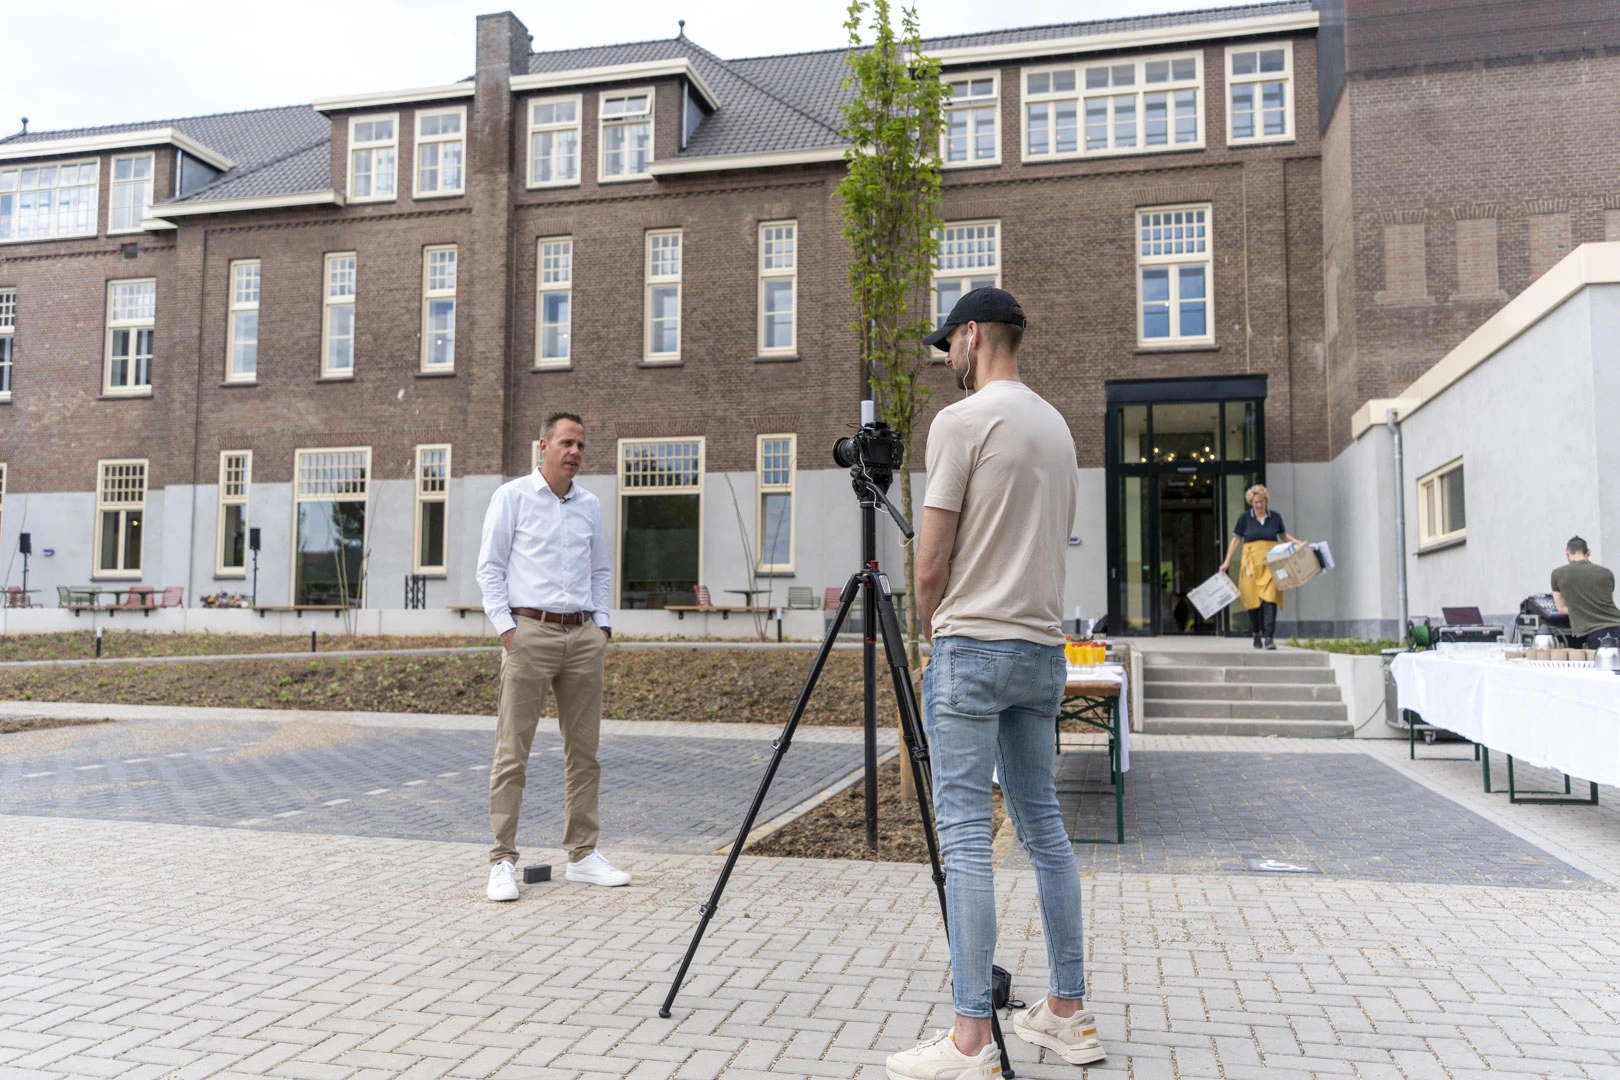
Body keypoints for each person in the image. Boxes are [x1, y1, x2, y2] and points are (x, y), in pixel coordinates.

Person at [886, 287, 1102, 1080]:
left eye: (949, 347)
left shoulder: (963, 422)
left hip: (973, 647)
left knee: (967, 837)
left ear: (972, 335)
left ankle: (972, 1037)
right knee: (1045, 828)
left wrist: (926, 632)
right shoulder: (1056, 425)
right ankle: (1069, 1013)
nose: (947, 361)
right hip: (1043, 652)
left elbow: (932, 558)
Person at [477, 411, 629, 901]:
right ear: (541, 445)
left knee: (584, 755)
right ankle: (502, 860)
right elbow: (490, 568)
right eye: (566, 443)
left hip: (583, 636)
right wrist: (507, 630)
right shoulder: (513, 497)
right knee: (512, 753)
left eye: (581, 445)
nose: (576, 452)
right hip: (530, 634)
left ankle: (582, 855)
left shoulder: (589, 505)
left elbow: (601, 569)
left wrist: (602, 625)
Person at [1218, 484, 1298, 650]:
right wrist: (1226, 562)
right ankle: (1256, 632)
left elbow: (1283, 535)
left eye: (1261, 502)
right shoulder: (1244, 518)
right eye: (1255, 502)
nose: (1259, 505)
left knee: (1270, 599)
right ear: (1251, 503)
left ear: (1266, 501)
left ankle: (1269, 637)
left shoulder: (1275, 517)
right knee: (1252, 600)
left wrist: (1296, 542)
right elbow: (1235, 540)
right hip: (1251, 564)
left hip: (1272, 562)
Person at [1551, 535, 1620, 648]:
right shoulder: (1607, 573)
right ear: (1588, 552)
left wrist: (1580, 609)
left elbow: (1561, 609)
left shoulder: (1558, 574)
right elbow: (1607, 603)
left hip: (1597, 635)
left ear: (1567, 552)